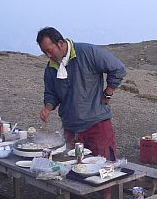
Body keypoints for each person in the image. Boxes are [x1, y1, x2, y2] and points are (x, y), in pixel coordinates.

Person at [37, 27, 126, 161]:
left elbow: (118, 68)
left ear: (60, 43)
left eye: (49, 51)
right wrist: (48, 107)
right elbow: (51, 93)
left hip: (97, 125)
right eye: (45, 53)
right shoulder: (51, 68)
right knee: (73, 171)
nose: (49, 56)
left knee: (105, 168)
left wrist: (107, 93)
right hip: (71, 129)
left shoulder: (87, 52)